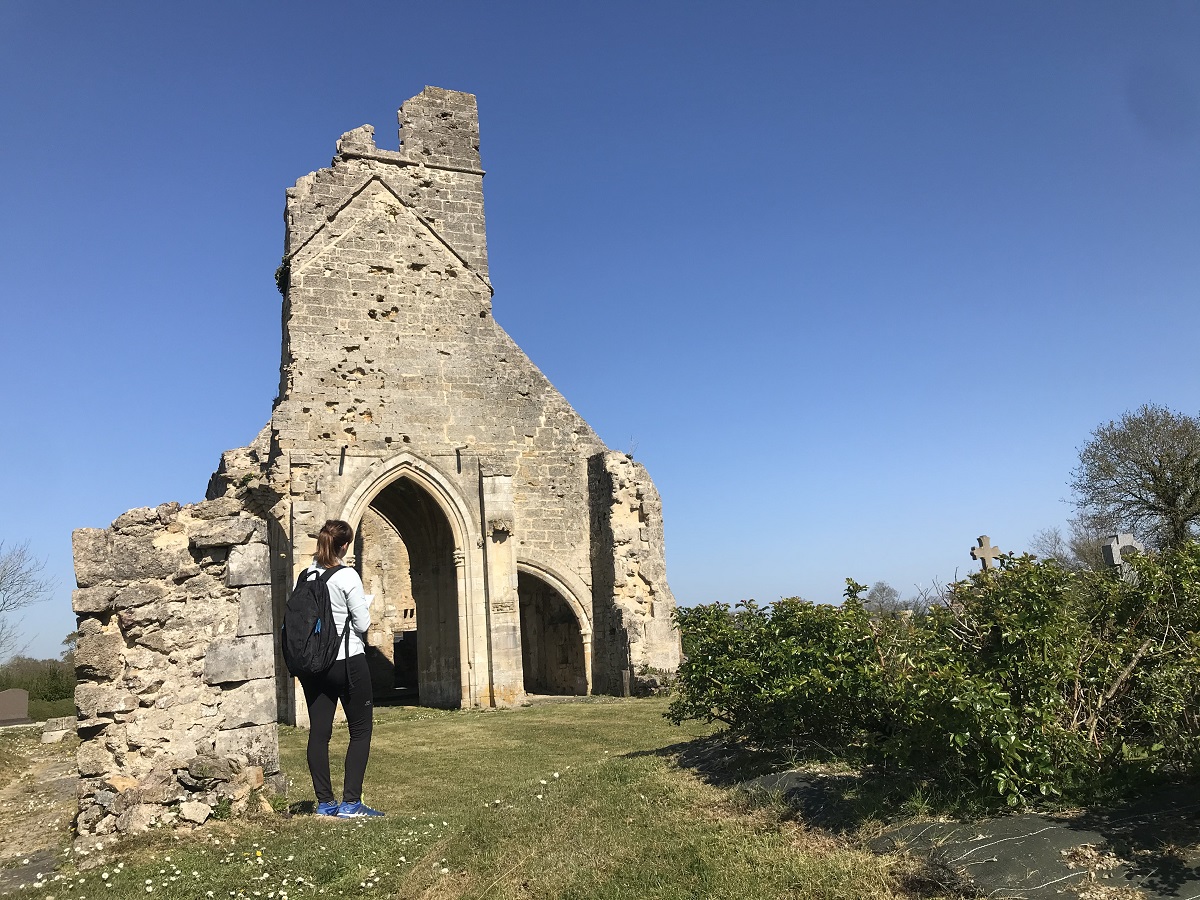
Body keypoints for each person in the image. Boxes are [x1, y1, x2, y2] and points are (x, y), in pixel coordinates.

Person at [300, 519, 384, 818]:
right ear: (345, 545)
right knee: (360, 731)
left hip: (314, 664)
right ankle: (350, 803)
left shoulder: (306, 575)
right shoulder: (347, 575)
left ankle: (324, 803)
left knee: (319, 733)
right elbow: (362, 624)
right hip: (347, 660)